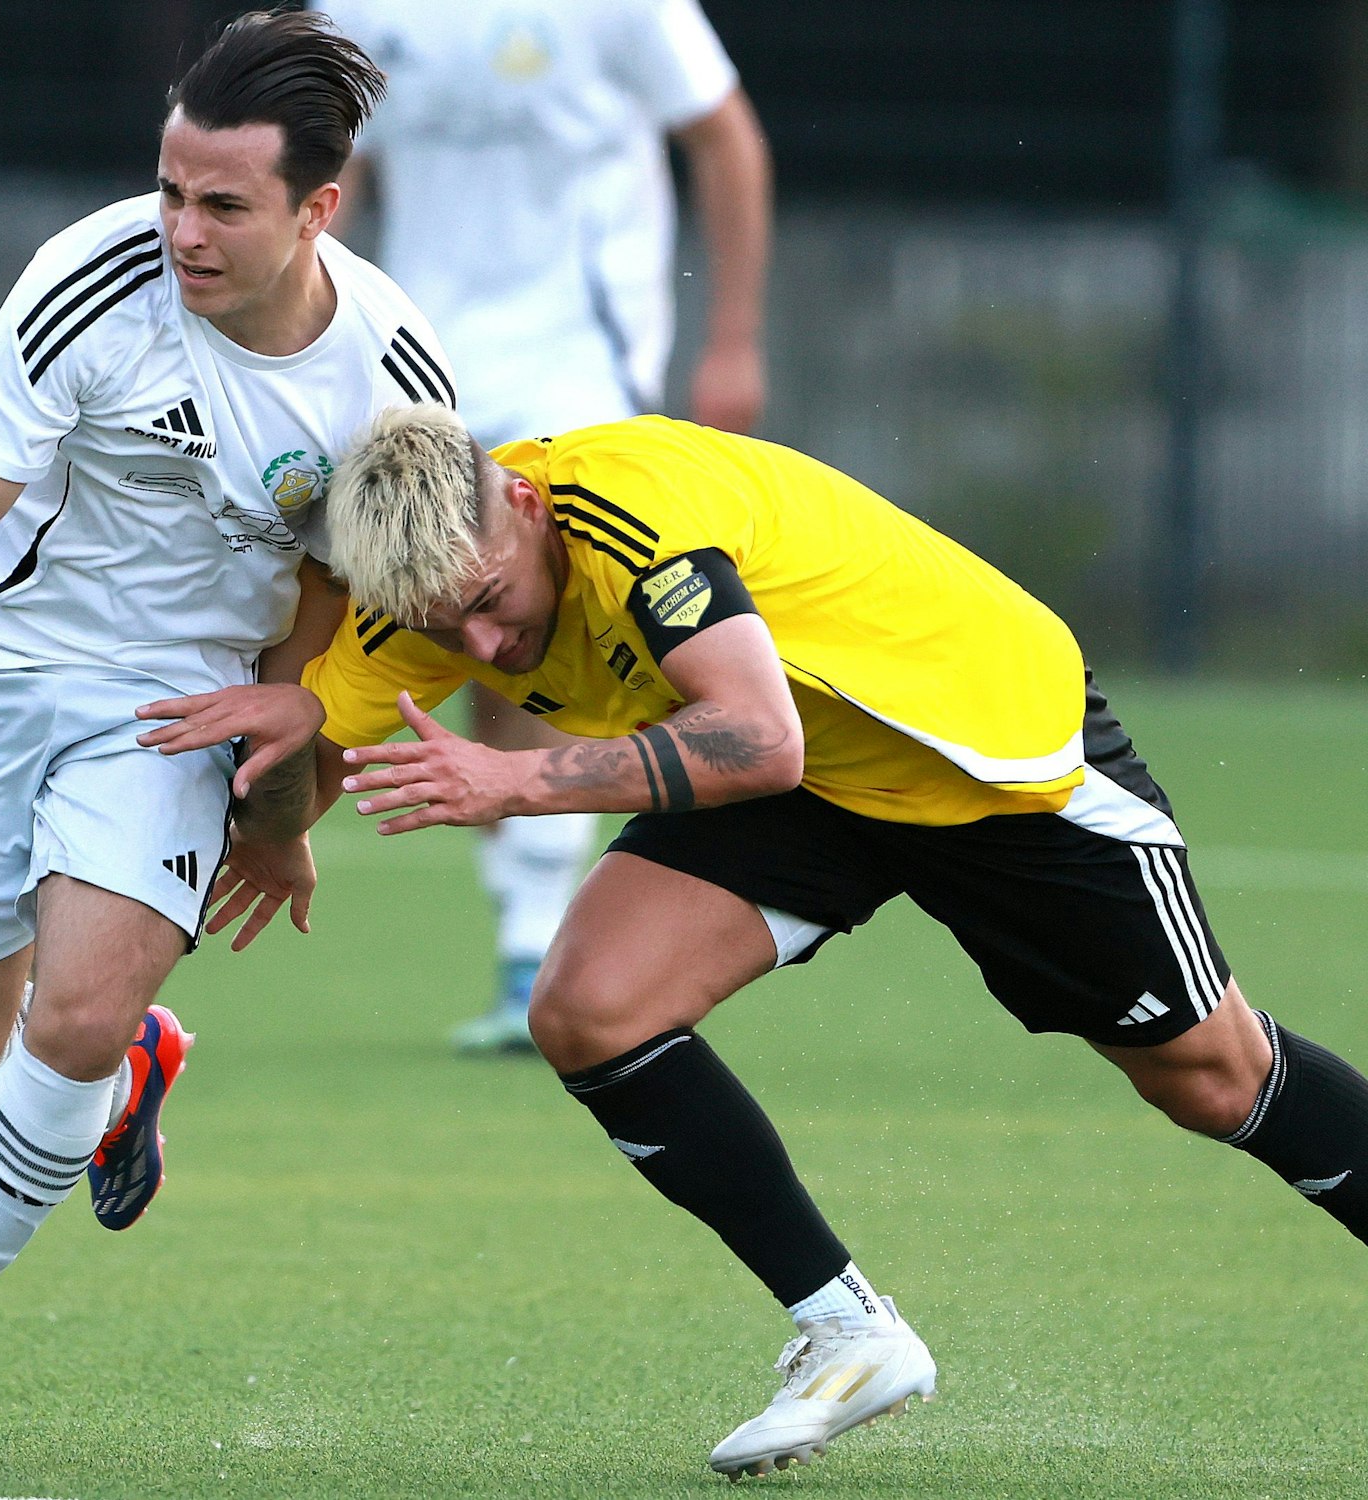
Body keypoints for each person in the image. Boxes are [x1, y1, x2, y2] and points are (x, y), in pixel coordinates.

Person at [142, 404, 1368, 1478]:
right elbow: (314, 731)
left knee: (1211, 1080)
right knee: (587, 1007)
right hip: (805, 778)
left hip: (975, 752)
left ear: (522, 503)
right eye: (436, 627)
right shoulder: (427, 586)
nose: (479, 652)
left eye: (486, 607)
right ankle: (846, 1329)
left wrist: (513, 783)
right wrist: (281, 802)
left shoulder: (628, 521)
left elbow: (757, 738)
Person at [0, 13, 453, 1465]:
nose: (180, 228)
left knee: (78, 1008)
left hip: (181, 703)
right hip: (4, 669)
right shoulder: (86, 280)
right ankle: (124, 1077)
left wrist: (286, 810)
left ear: (319, 208)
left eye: (222, 203)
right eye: (170, 189)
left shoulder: (395, 378)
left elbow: (353, 607)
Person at [310, 0, 773, 1052]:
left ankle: (545, 935)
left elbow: (723, 134)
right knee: (456, 633)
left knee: (547, 617)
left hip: (582, 358)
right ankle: (527, 937)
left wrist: (733, 337)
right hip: (420, 364)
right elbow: (335, 175)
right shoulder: (354, 12)